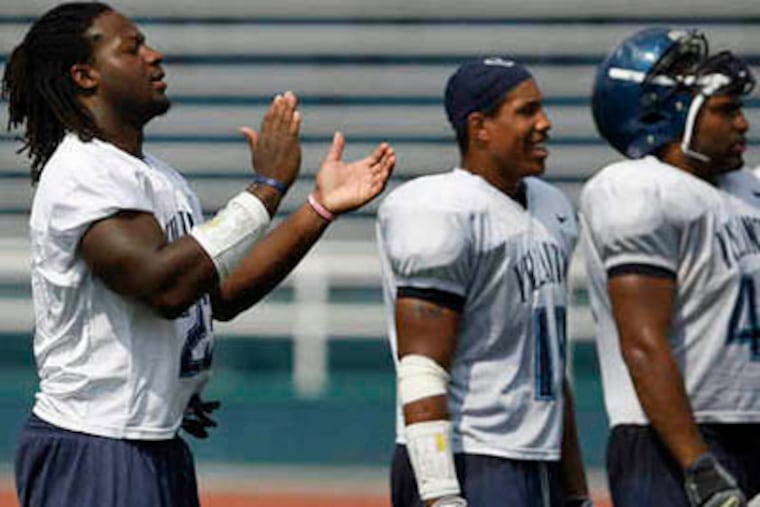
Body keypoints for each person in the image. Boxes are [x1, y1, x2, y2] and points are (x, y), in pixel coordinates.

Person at [2, 3, 395, 506]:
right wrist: (267, 188)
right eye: (133, 47)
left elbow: (216, 293)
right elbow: (163, 285)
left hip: (152, 442)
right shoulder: (83, 169)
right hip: (98, 446)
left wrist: (316, 209)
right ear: (85, 75)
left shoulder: (158, 176)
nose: (154, 55)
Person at [376, 57, 591, 507]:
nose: (545, 123)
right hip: (468, 456)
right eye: (526, 111)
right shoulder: (442, 208)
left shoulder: (552, 208)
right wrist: (439, 492)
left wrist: (575, 489)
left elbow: (549, 362)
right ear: (480, 127)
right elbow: (421, 366)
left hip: (537, 457)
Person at [581, 27, 760, 507]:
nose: (742, 125)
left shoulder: (745, 191)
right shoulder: (638, 191)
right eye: (725, 111)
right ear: (665, 117)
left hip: (746, 427)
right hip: (671, 439)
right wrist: (697, 464)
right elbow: (642, 342)